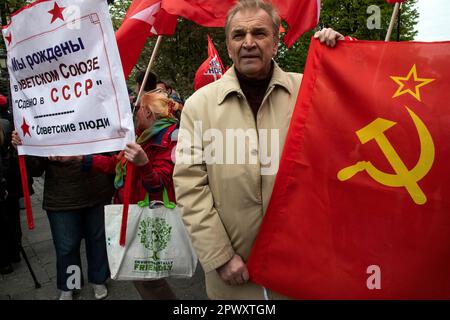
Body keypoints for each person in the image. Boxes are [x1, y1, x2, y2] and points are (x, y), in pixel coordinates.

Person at [173, 0, 344, 299]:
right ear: (228, 46)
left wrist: (343, 57)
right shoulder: (198, 106)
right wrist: (220, 256)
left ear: (276, 42)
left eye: (259, 33)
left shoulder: (309, 91)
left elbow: (349, 129)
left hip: (301, 266)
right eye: (239, 35)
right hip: (233, 275)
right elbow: (189, 187)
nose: (248, 42)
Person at [57, 90, 182, 299]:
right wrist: (81, 158)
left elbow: (160, 183)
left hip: (149, 218)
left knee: (150, 279)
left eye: (139, 109)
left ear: (149, 113)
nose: (135, 114)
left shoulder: (170, 140)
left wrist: (144, 165)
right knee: (140, 275)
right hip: (133, 211)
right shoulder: (143, 136)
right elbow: (118, 164)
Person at [11, 134, 115, 300]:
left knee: (97, 239)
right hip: (61, 197)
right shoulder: (44, 119)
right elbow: (36, 169)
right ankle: (70, 284)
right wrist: (25, 148)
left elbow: (111, 154)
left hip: (97, 191)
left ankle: (98, 278)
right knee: (66, 245)